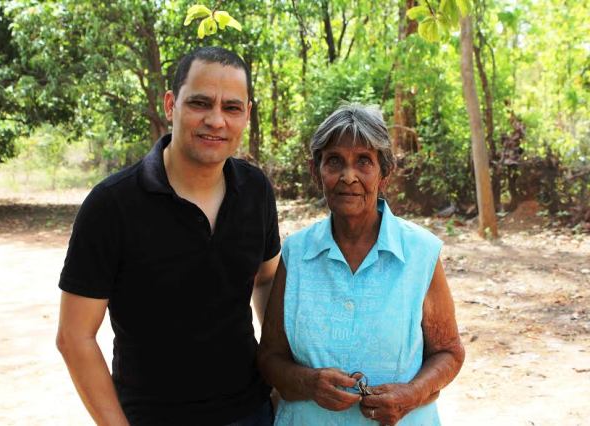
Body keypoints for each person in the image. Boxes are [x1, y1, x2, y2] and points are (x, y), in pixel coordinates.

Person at [56, 46, 281, 425]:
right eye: (200, 103)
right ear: (170, 104)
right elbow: (74, 337)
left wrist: (278, 372)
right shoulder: (112, 205)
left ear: (247, 114)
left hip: (252, 412)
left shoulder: (255, 189)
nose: (216, 120)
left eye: (231, 108)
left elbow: (266, 279)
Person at [258, 104, 465, 425]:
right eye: (334, 161)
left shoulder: (420, 253)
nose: (348, 176)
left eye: (364, 161)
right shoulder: (296, 253)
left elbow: (449, 352)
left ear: (385, 174)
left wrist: (411, 394)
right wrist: (309, 383)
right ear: (316, 171)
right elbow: (270, 357)